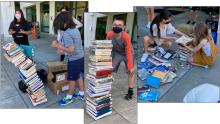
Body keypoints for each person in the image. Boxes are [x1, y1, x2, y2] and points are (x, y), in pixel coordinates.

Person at [52, 11, 84, 106]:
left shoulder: (67, 33)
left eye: (59, 24)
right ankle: (82, 93)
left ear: (65, 23)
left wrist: (57, 45)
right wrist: (61, 46)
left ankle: (69, 97)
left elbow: (70, 49)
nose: (59, 27)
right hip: (80, 56)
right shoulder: (74, 29)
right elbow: (73, 45)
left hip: (74, 59)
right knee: (78, 75)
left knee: (71, 78)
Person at [106, 17, 135, 100]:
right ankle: (105, 90)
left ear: (123, 27)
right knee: (109, 70)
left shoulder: (126, 37)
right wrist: (105, 60)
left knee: (131, 72)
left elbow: (128, 52)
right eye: (115, 24)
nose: (117, 26)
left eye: (119, 25)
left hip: (127, 53)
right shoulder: (109, 34)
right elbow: (106, 48)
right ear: (112, 26)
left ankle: (130, 91)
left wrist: (130, 66)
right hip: (117, 53)